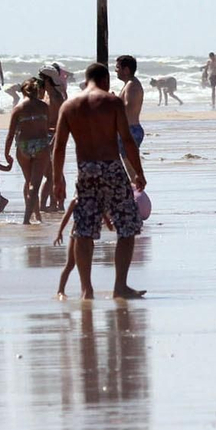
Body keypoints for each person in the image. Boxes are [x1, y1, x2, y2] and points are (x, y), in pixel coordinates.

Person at [52, 63, 147, 300]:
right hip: (112, 167)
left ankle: (87, 289)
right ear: (104, 80)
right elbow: (126, 140)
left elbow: (59, 146)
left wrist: (57, 180)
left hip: (86, 169)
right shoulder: (112, 102)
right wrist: (138, 172)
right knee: (126, 226)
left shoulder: (69, 105)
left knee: (84, 229)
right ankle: (120, 286)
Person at [2, 77, 53, 224]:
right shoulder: (44, 106)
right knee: (34, 185)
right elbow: (45, 127)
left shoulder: (18, 109)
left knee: (29, 182)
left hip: (23, 145)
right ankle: (26, 219)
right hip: (41, 145)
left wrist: (6, 152)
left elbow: (11, 133)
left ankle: (36, 215)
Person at [114, 55, 145, 151]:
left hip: (130, 130)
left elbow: (128, 106)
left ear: (126, 70)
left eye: (118, 67)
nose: (116, 70)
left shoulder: (131, 85)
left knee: (129, 164)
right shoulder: (129, 84)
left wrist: (114, 102)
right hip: (129, 129)